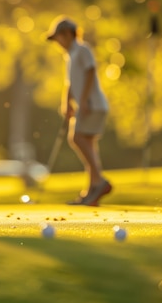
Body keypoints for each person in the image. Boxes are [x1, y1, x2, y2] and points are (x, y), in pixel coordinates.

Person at [46, 16, 112, 206]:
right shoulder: (70, 55)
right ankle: (91, 191)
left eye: (57, 37)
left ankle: (99, 182)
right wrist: (66, 103)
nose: (56, 43)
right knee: (88, 146)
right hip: (89, 105)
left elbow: (90, 72)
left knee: (77, 138)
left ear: (67, 34)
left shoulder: (82, 50)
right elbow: (70, 82)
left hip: (92, 104)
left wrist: (82, 101)